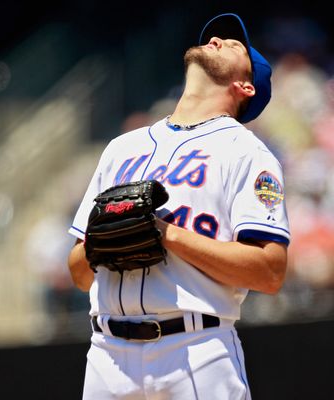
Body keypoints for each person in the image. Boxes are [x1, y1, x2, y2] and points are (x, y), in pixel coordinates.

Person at [68, 13, 290, 400]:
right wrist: (102, 242)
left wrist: (165, 234)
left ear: (246, 86)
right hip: (107, 354)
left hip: (195, 351)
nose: (217, 39)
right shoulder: (122, 147)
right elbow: (79, 274)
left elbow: (270, 271)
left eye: (233, 44)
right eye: (215, 38)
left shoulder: (247, 152)